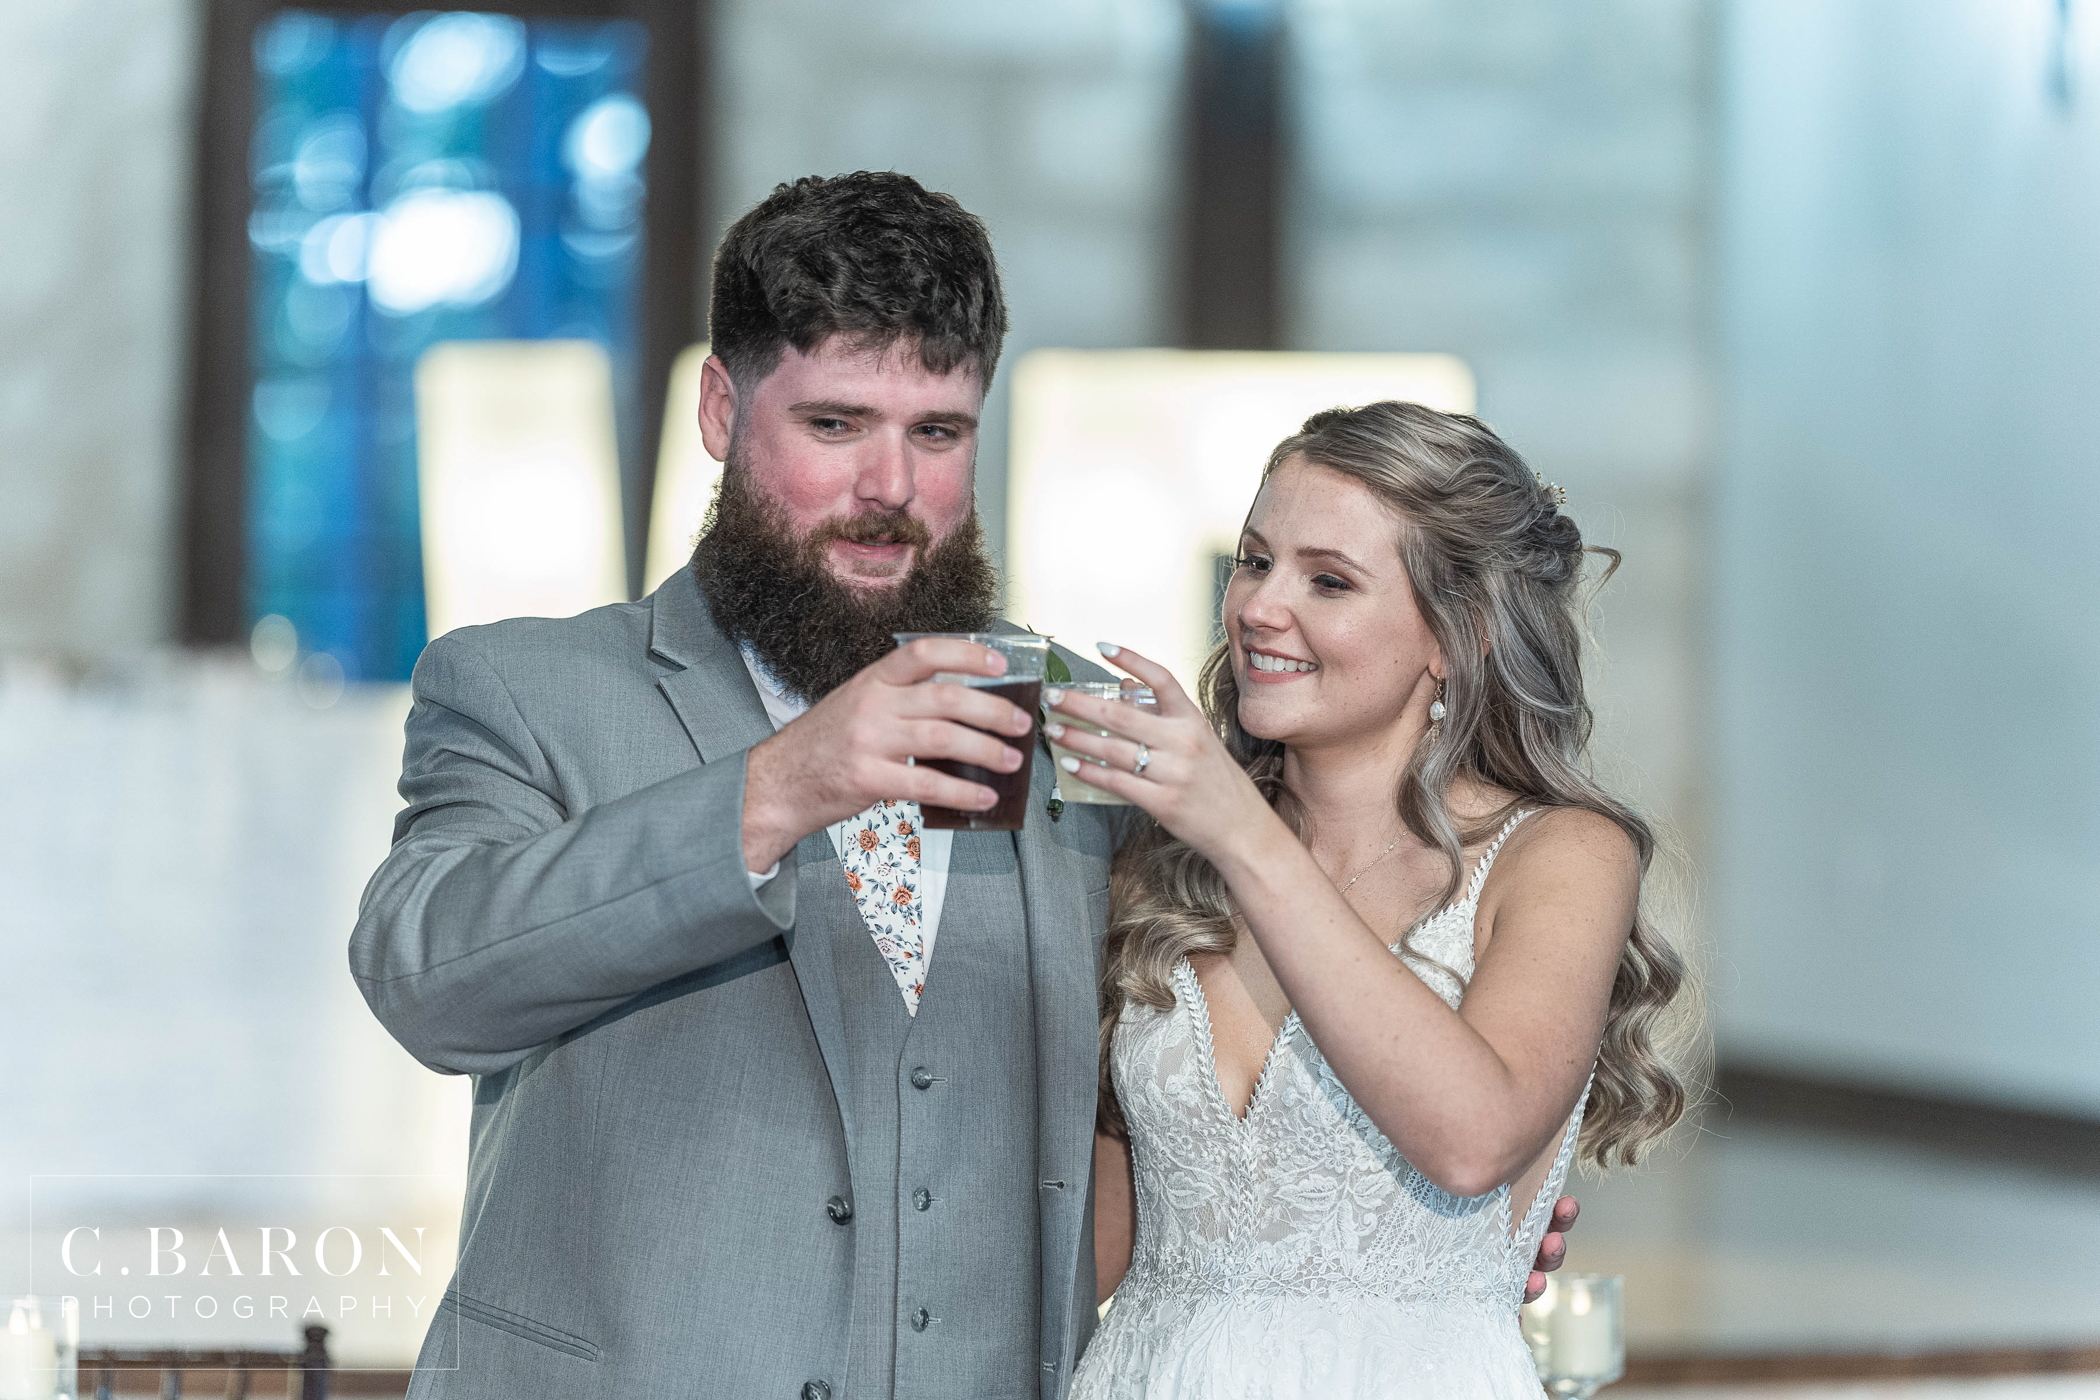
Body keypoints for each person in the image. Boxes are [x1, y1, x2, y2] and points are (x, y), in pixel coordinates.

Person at [351, 172, 1574, 1400]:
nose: (890, 487)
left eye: (936, 433)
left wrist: (1387, 1233)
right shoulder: (527, 687)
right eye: (836, 424)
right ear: (722, 409)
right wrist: (781, 787)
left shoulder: (1081, 729)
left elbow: (1186, 1104)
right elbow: (425, 978)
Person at [1053, 402, 1693, 1398]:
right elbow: (1090, 1250)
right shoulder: (1161, 866)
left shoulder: (1560, 854)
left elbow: (1474, 1138)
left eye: (1329, 580)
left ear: (1457, 634)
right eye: (1254, 561)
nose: (1259, 606)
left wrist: (1240, 831)